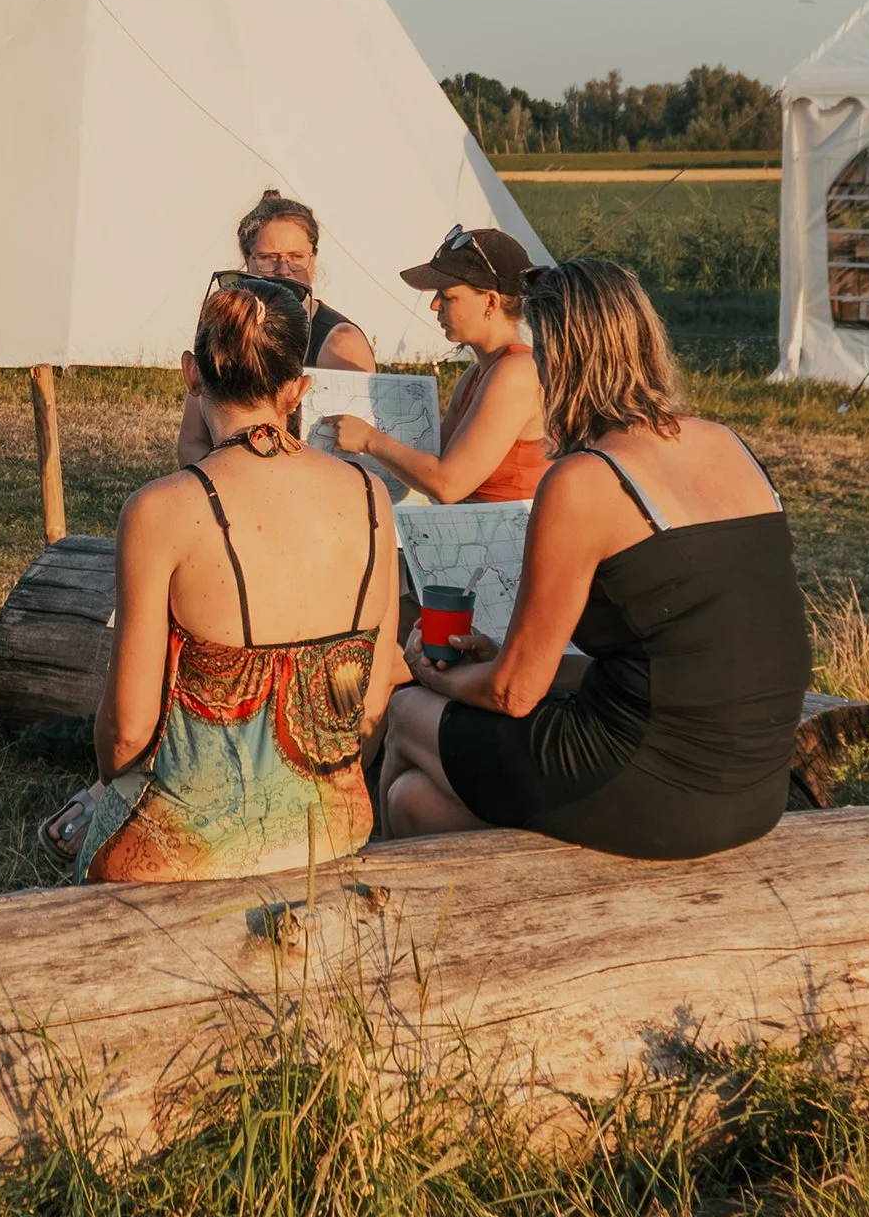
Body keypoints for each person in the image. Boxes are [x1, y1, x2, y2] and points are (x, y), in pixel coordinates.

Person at [378, 257, 812, 856]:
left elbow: (513, 693)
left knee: (406, 714)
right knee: (414, 801)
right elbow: (673, 654)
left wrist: (430, 674)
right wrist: (504, 658)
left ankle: (375, 913)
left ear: (558, 358)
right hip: (753, 789)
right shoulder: (728, 445)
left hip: (651, 777)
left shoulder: (588, 479)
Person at [71, 274, 403, 882]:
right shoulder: (369, 494)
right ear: (299, 389)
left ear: (190, 373)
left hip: (184, 847)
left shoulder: (161, 509)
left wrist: (104, 791)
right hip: (332, 829)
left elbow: (126, 732)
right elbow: (372, 703)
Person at [324, 223, 549, 502]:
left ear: (490, 302)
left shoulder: (516, 373)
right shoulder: (475, 375)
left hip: (509, 542)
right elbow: (430, 460)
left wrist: (370, 440)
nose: (434, 305)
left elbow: (447, 484)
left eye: (448, 295)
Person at [176, 191, 375, 467]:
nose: (284, 269)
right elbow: (190, 441)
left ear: (314, 257)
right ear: (247, 259)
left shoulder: (339, 343)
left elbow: (357, 453)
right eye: (268, 258)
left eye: (296, 256)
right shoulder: (225, 322)